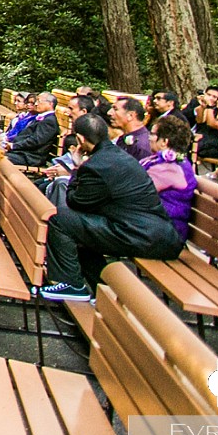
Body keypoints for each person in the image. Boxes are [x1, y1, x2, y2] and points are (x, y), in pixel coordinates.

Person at [37, 114, 183, 302]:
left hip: (142, 236)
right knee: (80, 227)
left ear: (80, 140)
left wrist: (77, 168)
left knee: (60, 220)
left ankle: (71, 285)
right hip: (154, 234)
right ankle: (100, 287)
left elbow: (75, 201)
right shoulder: (117, 156)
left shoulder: (96, 166)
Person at [141, 115, 197, 242]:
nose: (149, 138)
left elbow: (137, 191)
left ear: (164, 142)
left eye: (152, 134)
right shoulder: (164, 161)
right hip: (153, 225)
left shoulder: (170, 167)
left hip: (165, 234)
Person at [5, 91, 60, 168]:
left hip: (31, 157)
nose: (36, 104)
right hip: (22, 152)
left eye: (39, 101)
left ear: (50, 104)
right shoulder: (43, 118)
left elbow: (36, 141)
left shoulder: (49, 121)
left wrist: (14, 146)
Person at [110, 96, 152, 162]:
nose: (109, 113)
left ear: (130, 115)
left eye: (115, 109)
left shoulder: (142, 146)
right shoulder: (124, 138)